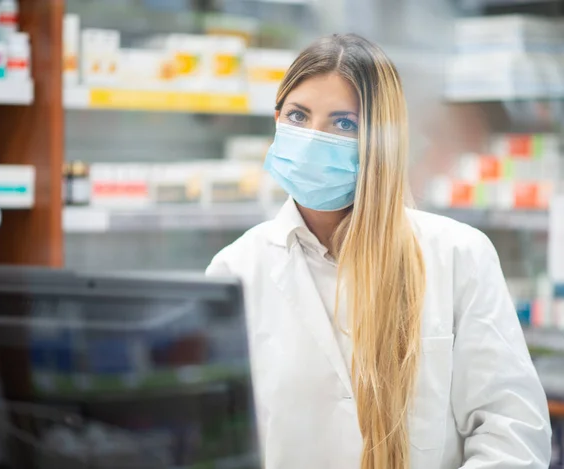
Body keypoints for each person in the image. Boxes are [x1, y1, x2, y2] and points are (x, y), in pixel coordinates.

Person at [206, 34, 551, 469]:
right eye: (298, 116)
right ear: (277, 119)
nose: (313, 139)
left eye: (343, 123)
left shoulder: (458, 255)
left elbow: (511, 431)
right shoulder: (235, 269)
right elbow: (216, 437)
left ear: (381, 139)